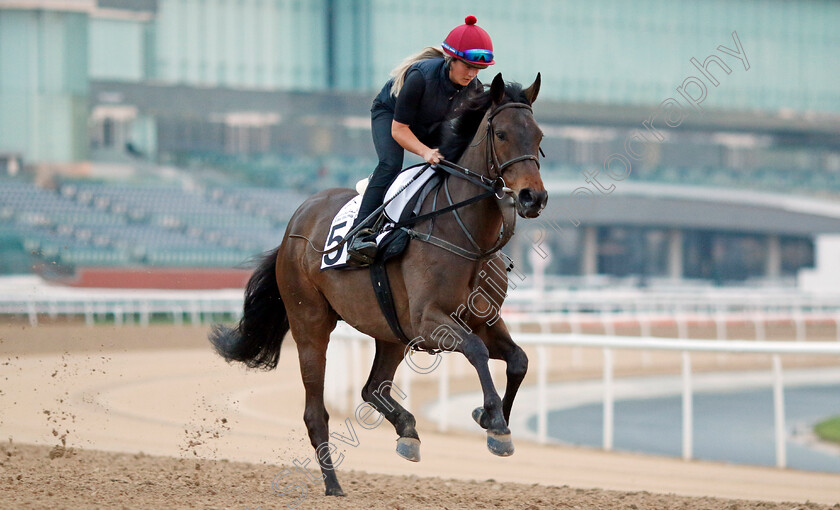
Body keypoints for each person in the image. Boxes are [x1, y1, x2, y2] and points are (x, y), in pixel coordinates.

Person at [346, 15, 495, 266]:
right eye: (467, 66)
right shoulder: (420, 77)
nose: (472, 73)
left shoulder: (474, 89)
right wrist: (425, 152)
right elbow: (400, 130)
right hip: (391, 117)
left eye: (478, 68)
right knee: (391, 164)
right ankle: (360, 233)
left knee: (452, 160)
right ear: (451, 60)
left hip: (428, 122)